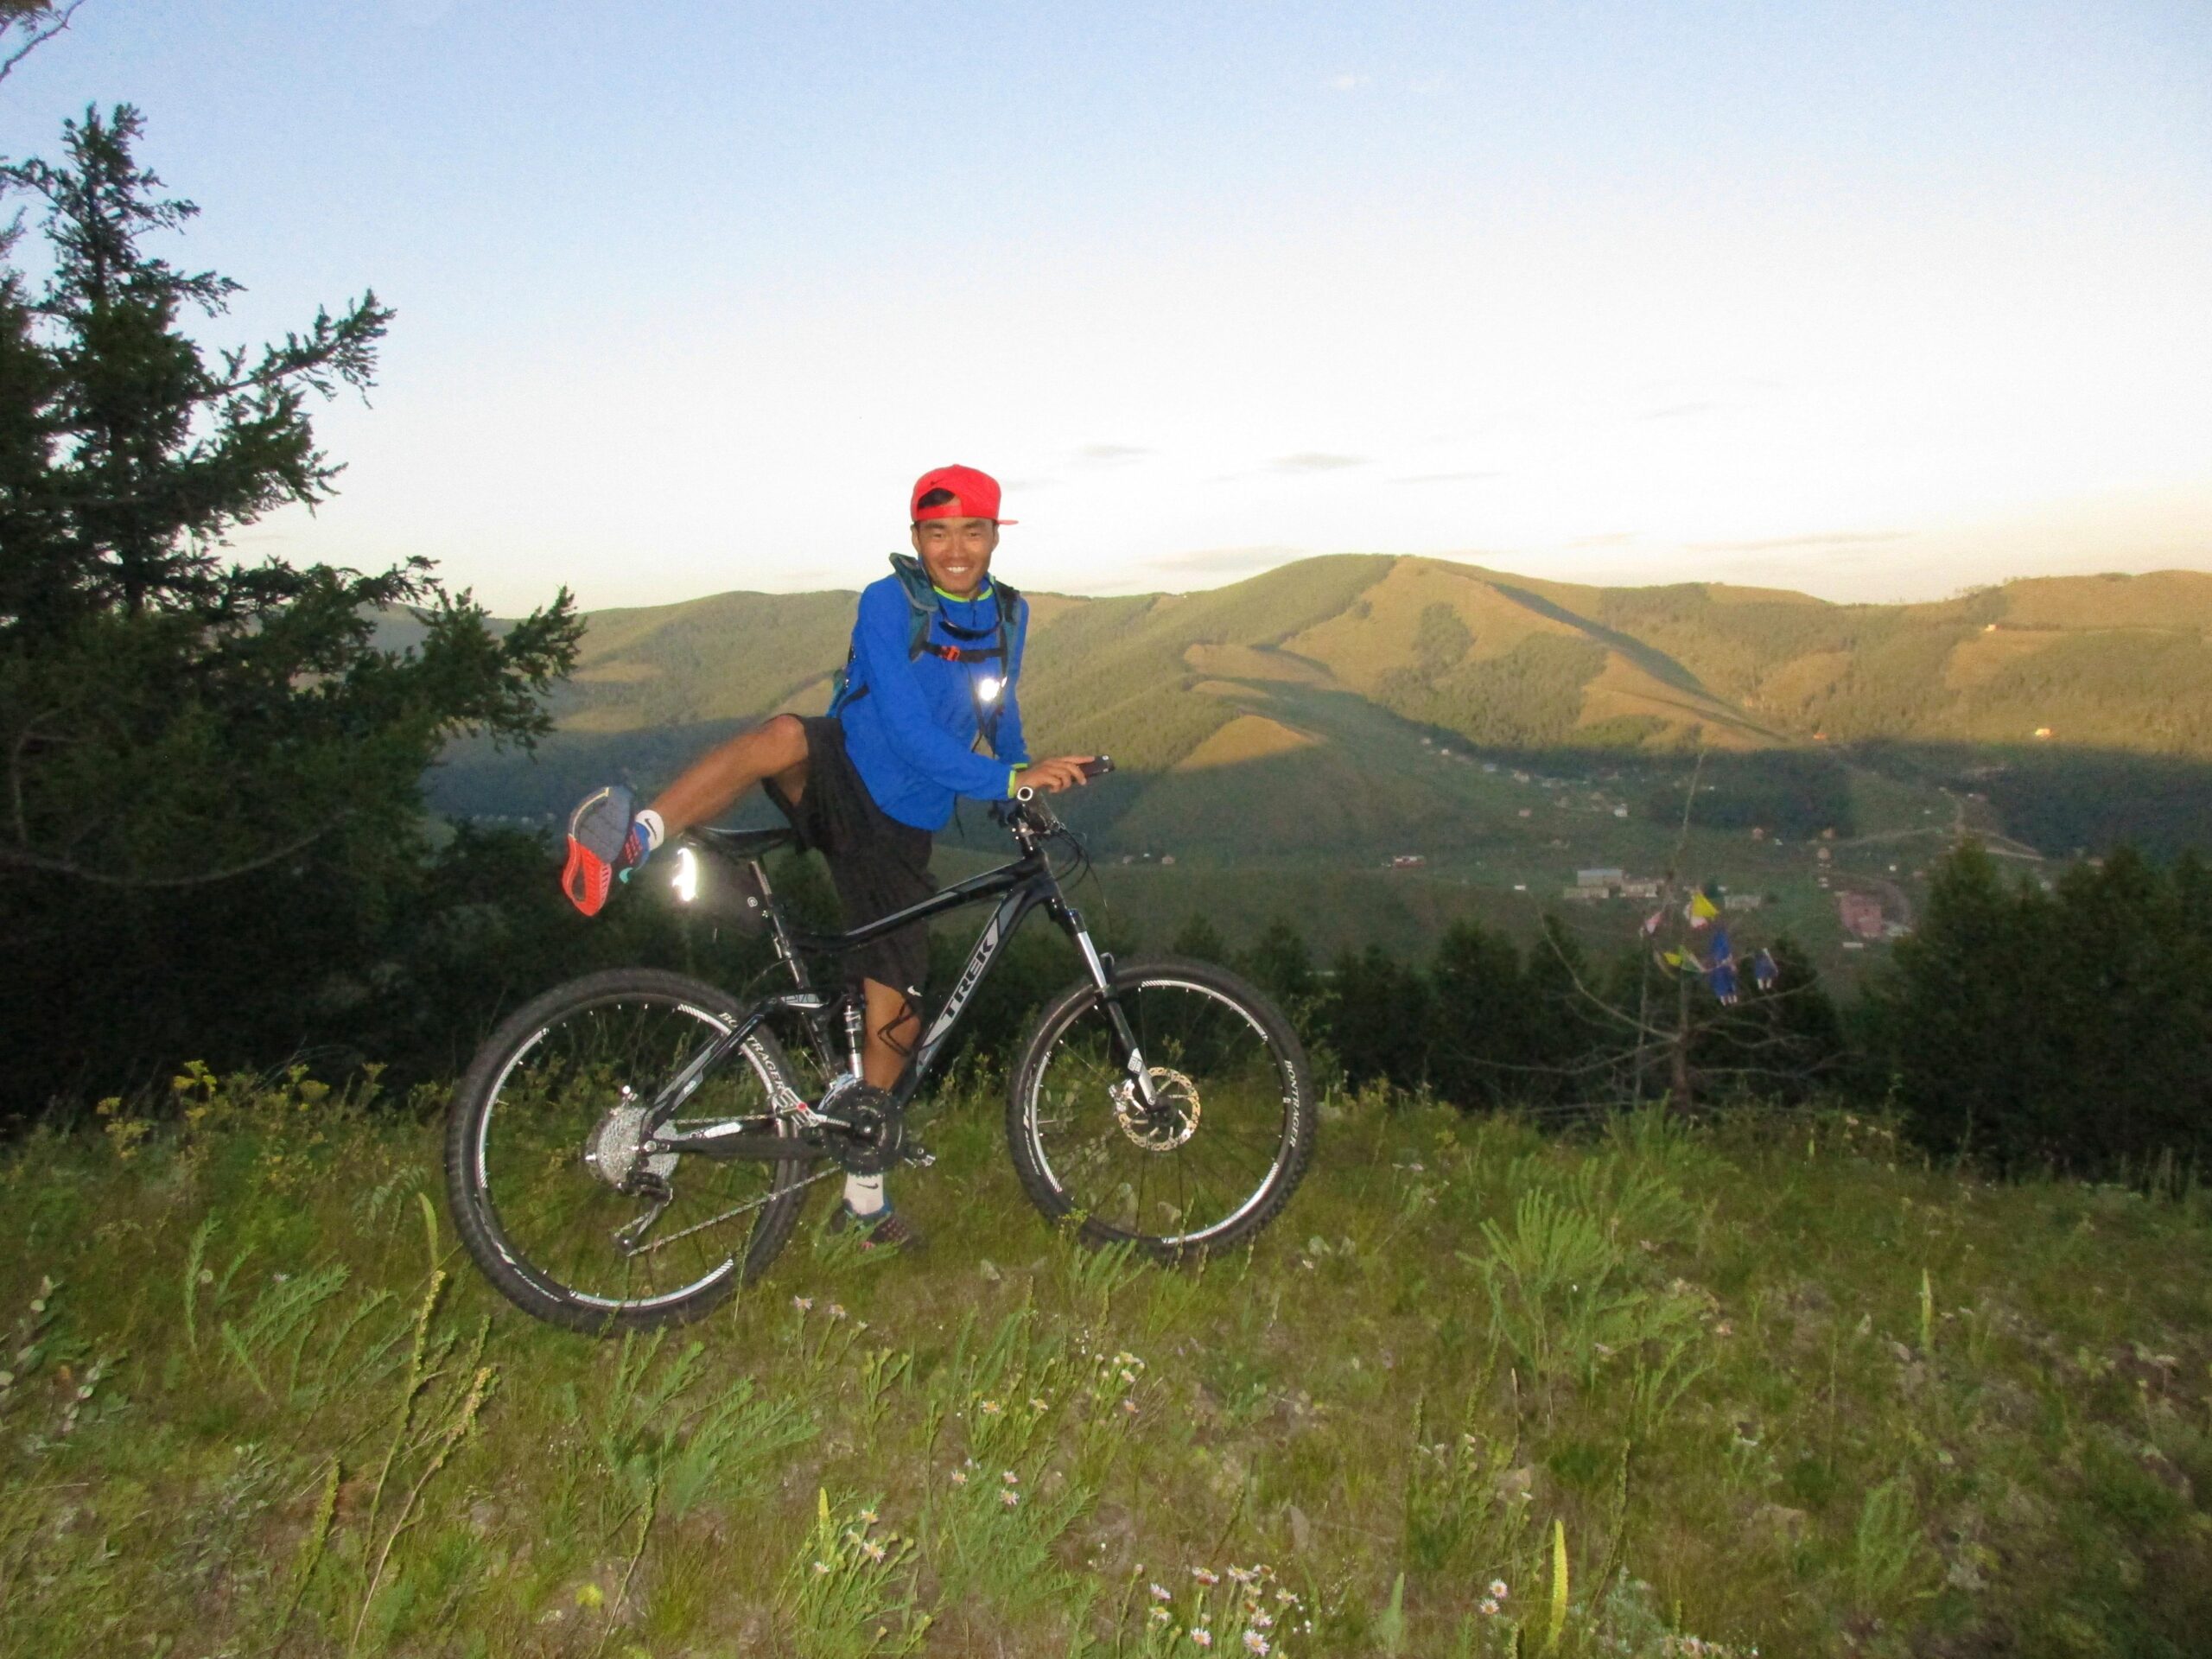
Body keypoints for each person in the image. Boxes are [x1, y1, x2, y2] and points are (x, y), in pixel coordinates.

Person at [558, 464, 1096, 1251]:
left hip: (904, 823)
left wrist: (1019, 780)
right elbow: (911, 733)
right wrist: (1005, 775)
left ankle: (862, 1199)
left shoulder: (1009, 614)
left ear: (994, 536)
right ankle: (629, 841)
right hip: (846, 773)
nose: (955, 549)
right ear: (915, 539)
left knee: (896, 1008)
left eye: (972, 532)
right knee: (783, 735)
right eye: (937, 533)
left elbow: (998, 708)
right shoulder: (888, 603)